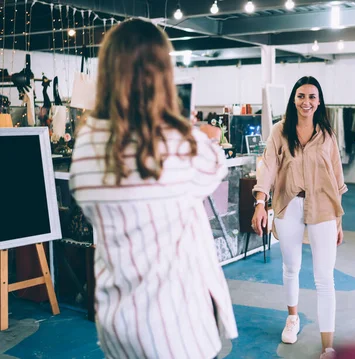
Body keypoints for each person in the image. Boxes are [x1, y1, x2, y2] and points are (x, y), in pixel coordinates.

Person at [69, 19, 237, 359]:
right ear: (163, 73)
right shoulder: (177, 143)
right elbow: (216, 165)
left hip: (118, 321)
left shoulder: (86, 143)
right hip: (176, 325)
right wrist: (189, 126)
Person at [252, 76, 348, 359]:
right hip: (289, 206)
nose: (307, 102)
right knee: (291, 267)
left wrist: (339, 222)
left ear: (319, 102)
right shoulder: (280, 131)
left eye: (312, 97)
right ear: (294, 99)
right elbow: (268, 167)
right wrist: (260, 202)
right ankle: (292, 318)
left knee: (324, 277)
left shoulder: (327, 135)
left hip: (324, 210)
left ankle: (327, 345)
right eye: (301, 96)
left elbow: (336, 179)